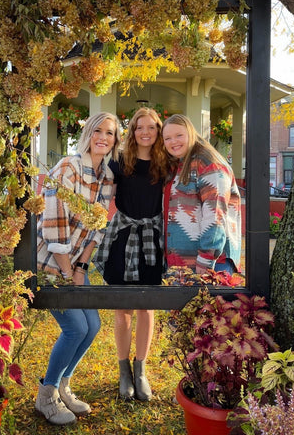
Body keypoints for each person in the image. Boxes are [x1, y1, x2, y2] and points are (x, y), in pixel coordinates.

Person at [35, 112, 121, 426]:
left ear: (115, 140)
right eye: (97, 130)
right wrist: (66, 269)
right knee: (75, 328)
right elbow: (54, 224)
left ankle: (62, 387)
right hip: (49, 261)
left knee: (93, 325)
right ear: (87, 133)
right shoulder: (67, 167)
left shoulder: (108, 177)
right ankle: (46, 396)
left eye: (110, 133)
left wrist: (81, 266)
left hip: (75, 263)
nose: (103, 137)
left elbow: (97, 227)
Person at [93, 107, 168, 402]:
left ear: (158, 131)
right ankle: (123, 371)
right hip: (123, 237)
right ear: (132, 132)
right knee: (122, 307)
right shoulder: (119, 162)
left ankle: (140, 370)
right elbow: (96, 179)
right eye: (139, 127)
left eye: (151, 127)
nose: (145, 132)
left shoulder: (166, 164)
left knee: (145, 307)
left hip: (151, 239)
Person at [162, 114, 241, 276]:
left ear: (191, 133)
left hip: (210, 264)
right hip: (182, 263)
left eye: (179, 135)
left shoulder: (209, 164)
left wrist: (206, 258)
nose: (173, 142)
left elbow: (215, 215)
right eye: (167, 138)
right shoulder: (181, 163)